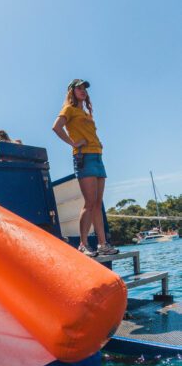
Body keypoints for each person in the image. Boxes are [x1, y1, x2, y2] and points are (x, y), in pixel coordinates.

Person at [52, 79, 118, 257]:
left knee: (97, 203)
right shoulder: (68, 109)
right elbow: (56, 127)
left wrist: (98, 143)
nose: (83, 91)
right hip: (84, 158)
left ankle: (103, 244)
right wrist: (73, 143)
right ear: (71, 91)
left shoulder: (86, 113)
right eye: (79, 88)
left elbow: (89, 133)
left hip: (97, 157)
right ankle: (83, 244)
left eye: (84, 89)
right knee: (89, 203)